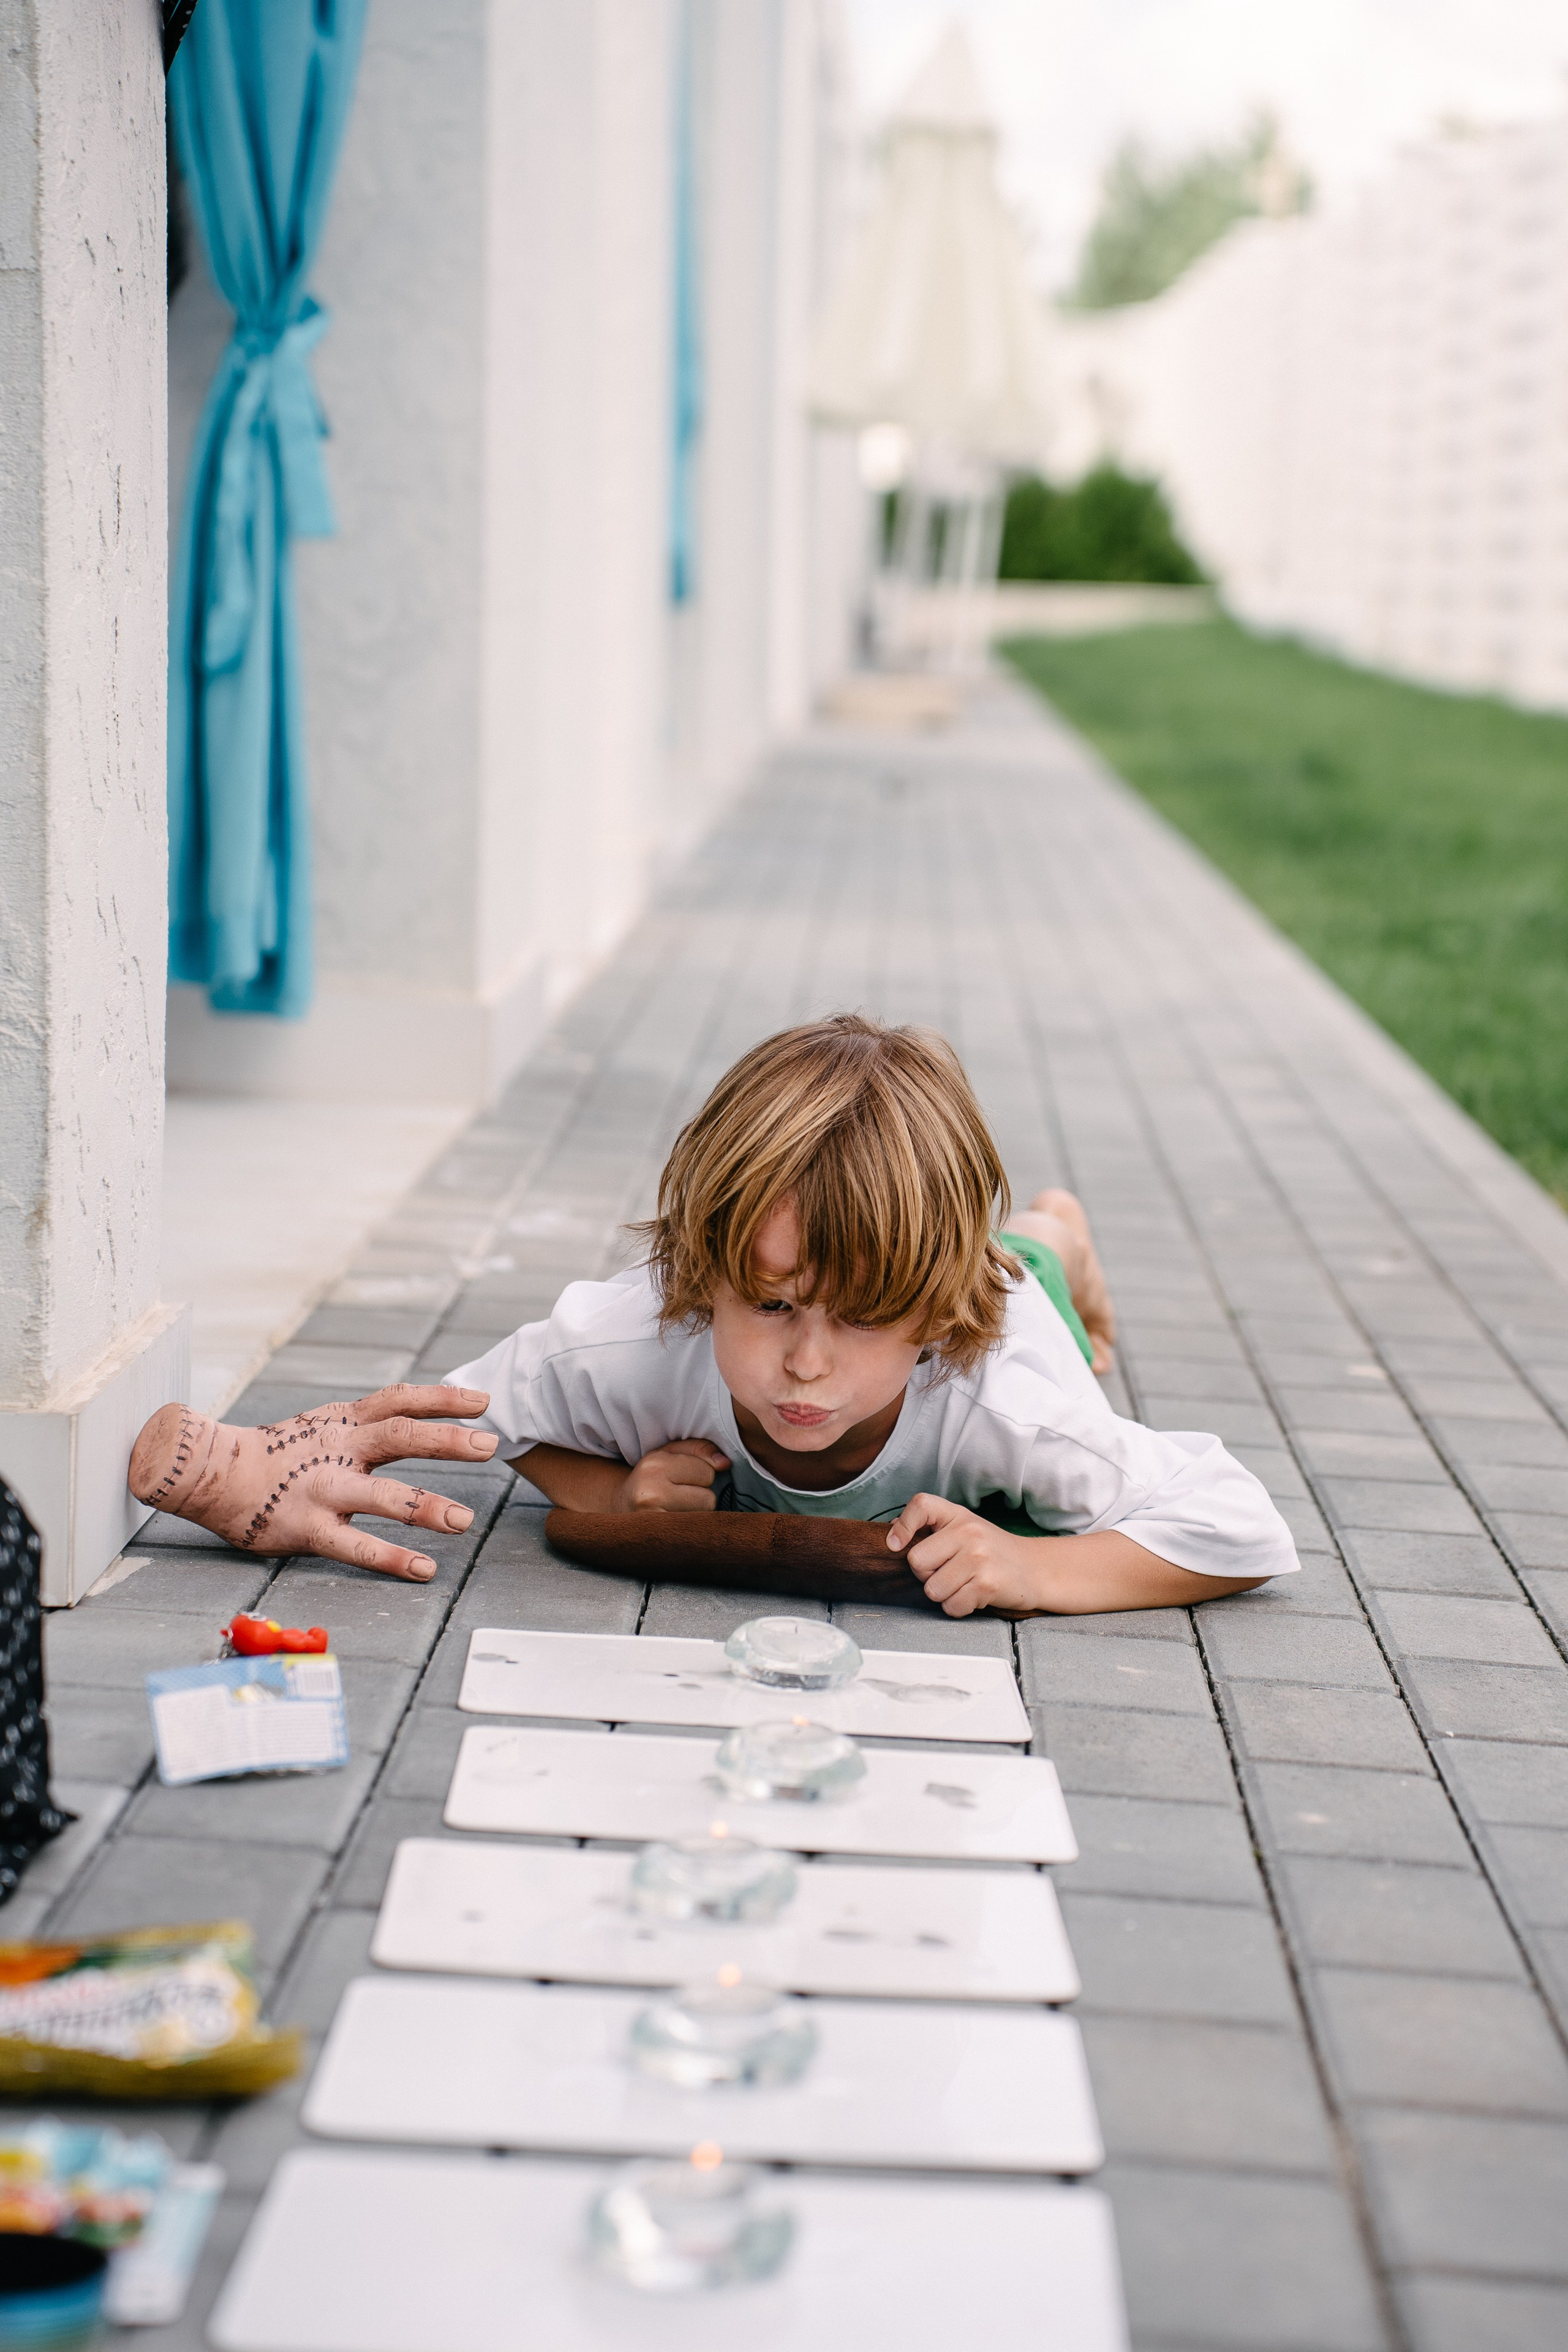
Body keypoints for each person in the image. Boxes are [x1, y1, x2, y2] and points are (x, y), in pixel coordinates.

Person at [444, 1015, 1298, 1616]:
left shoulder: (1006, 1403)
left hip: (1013, 1299)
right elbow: (479, 1413)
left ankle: (1057, 1234)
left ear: (929, 1315)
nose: (806, 1362)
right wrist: (614, 1497)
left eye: (862, 1318)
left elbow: (1239, 1527)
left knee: (1024, 1262)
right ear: (707, 1278)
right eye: (772, 1304)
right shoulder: (637, 1343)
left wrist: (1037, 1566)